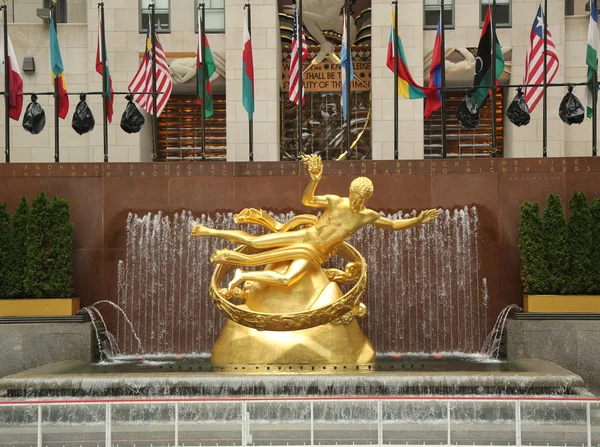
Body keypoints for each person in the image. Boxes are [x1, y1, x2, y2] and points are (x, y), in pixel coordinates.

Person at [191, 154, 439, 290]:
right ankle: (209, 231)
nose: (354, 201)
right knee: (256, 242)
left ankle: (244, 274)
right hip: (306, 236)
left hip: (316, 253)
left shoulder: (367, 216)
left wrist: (417, 219)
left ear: (366, 198)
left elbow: (393, 225)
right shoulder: (335, 201)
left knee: (287, 280)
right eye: (353, 196)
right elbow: (308, 200)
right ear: (350, 192)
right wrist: (315, 179)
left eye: (359, 198)